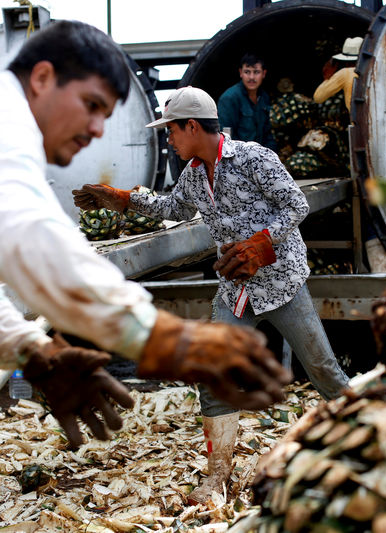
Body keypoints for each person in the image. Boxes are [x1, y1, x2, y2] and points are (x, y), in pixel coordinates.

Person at [0, 21, 290, 532]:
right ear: (42, 77)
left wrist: (30, 350)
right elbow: (32, 241)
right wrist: (164, 338)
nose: (99, 128)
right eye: (93, 105)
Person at [73, 86, 351, 505]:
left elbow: (295, 205)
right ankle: (217, 477)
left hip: (281, 283)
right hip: (236, 289)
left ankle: (378, 441)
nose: (169, 140)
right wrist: (125, 200)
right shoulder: (193, 174)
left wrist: (262, 243)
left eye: (171, 132)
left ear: (191, 126)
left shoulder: (253, 158)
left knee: (324, 370)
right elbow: (174, 209)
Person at [313, 36, 386, 273]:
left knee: (366, 203)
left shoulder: (347, 73)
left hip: (363, 142)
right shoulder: (381, 69)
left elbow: (318, 96)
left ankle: (379, 268)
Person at [217, 53, 278, 151]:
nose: (251, 77)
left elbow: (268, 134)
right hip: (238, 158)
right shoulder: (229, 99)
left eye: (256, 72)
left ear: (264, 74)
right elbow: (226, 139)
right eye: (247, 72)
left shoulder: (264, 97)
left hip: (260, 157)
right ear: (240, 72)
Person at [313, 36, 362, 112]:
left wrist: (329, 76)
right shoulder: (374, 70)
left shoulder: (346, 73)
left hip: (359, 121)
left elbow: (318, 97)